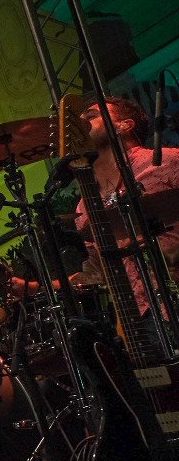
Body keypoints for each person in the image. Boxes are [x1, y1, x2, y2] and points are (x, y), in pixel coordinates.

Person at [68, 94, 179, 317]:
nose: (79, 125)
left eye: (90, 116)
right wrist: (34, 288)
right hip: (143, 321)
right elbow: (98, 272)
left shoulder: (168, 162)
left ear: (124, 126)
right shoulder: (85, 205)